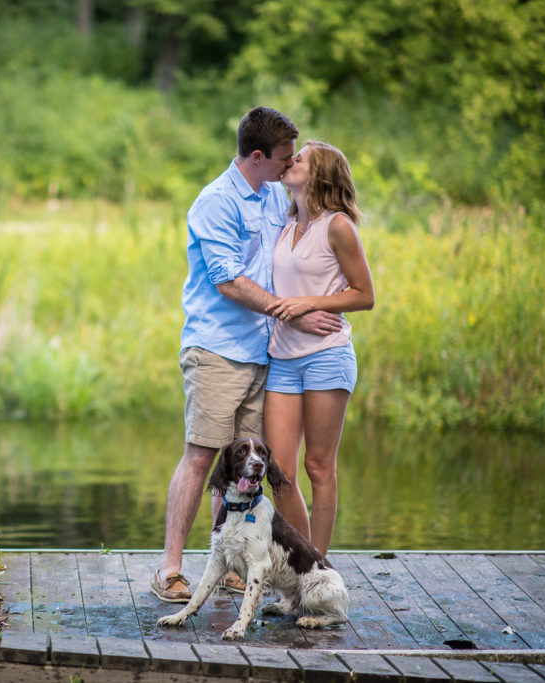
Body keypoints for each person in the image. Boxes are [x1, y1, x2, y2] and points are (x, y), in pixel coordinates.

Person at [151, 107, 343, 604]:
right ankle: (170, 570)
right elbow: (229, 281)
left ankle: (235, 566)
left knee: (246, 468)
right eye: (282, 159)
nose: (288, 165)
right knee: (200, 456)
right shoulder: (215, 202)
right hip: (216, 349)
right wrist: (294, 314)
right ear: (256, 156)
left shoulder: (274, 193)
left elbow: (309, 242)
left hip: (266, 352)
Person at [263, 141, 375, 558]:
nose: (291, 162)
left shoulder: (338, 226)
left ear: (320, 174)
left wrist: (311, 304)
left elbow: (365, 295)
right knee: (281, 475)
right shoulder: (285, 222)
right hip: (282, 359)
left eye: (301, 158)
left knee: (318, 467)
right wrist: (291, 312)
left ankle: (317, 570)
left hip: (327, 355)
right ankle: (302, 563)